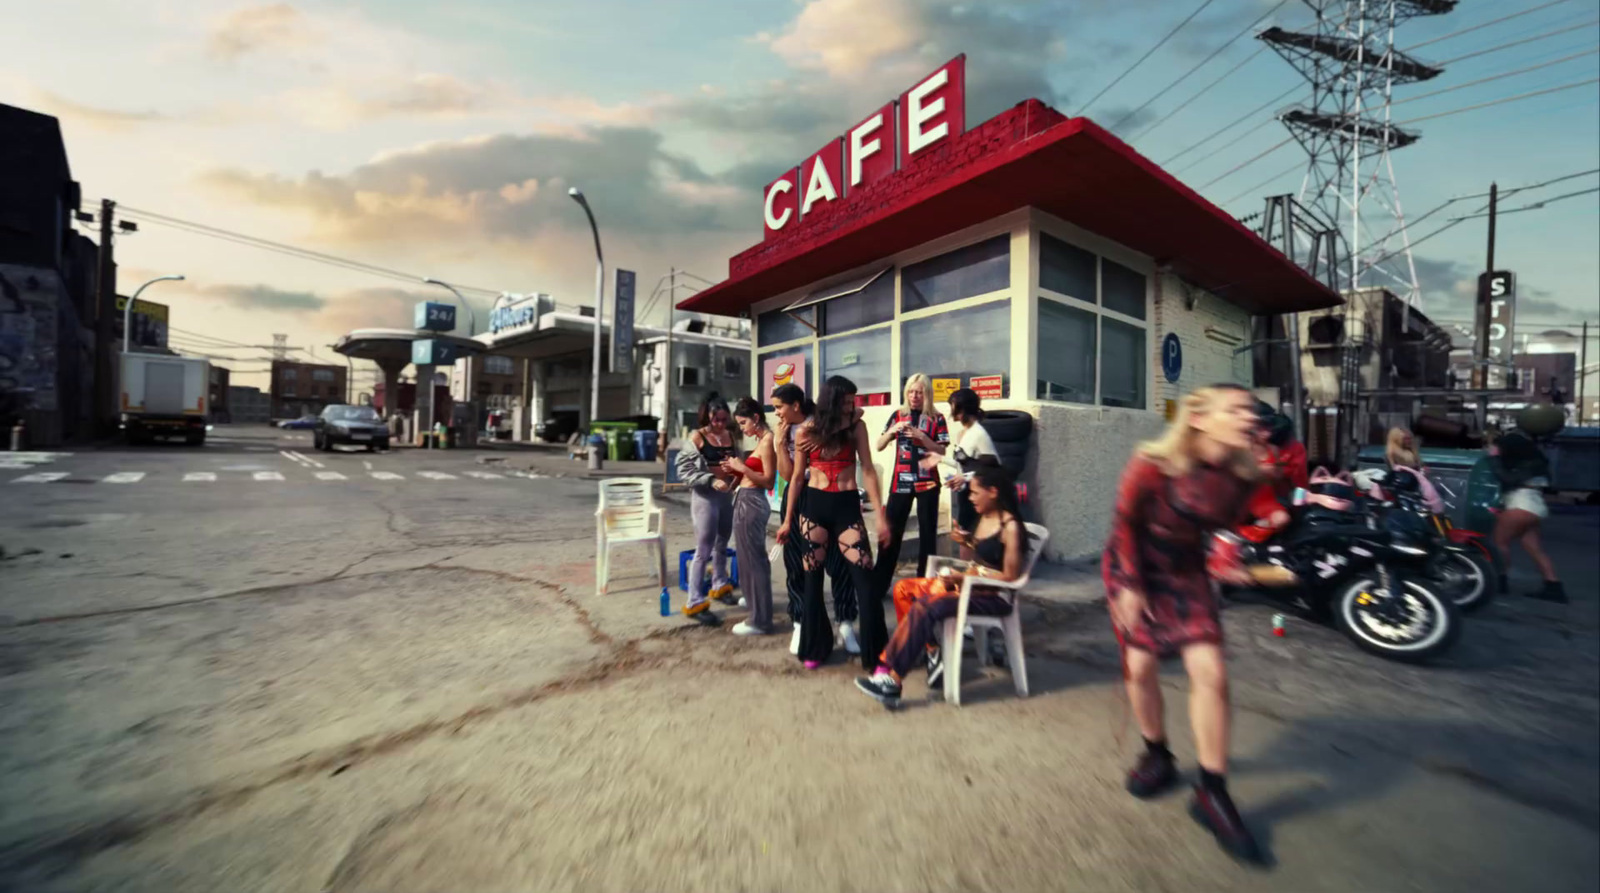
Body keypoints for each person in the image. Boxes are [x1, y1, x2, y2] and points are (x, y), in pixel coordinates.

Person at [1103, 383, 1267, 864]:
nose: (1247, 418)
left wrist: (1230, 554)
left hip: (1186, 571)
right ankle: (1158, 755)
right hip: (1134, 566)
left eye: (1250, 411)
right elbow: (1123, 523)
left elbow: (1230, 526)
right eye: (1235, 410)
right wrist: (1129, 586)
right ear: (1199, 417)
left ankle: (1212, 792)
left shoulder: (1242, 474)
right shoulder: (1152, 464)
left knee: (1211, 673)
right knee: (1141, 666)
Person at [856, 465, 1030, 703]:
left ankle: (892, 678)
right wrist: (966, 542)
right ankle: (926, 652)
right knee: (904, 589)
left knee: (926, 605)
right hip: (970, 587)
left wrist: (964, 578)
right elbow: (980, 558)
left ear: (993, 492)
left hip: (991, 597)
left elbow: (1010, 578)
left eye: (975, 492)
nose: (970, 497)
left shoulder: (1010, 528)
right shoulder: (986, 517)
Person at [778, 375, 890, 669]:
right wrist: (788, 519)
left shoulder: (856, 427)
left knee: (864, 582)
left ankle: (876, 653)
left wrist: (881, 515)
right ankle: (815, 649)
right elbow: (796, 481)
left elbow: (867, 469)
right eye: (847, 401)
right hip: (813, 508)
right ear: (832, 400)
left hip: (847, 508)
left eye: (854, 401)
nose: (853, 405)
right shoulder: (806, 433)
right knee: (811, 582)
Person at [773, 381, 862, 656]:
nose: (777, 413)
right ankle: (802, 622)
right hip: (800, 495)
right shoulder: (786, 431)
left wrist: (824, 436)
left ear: (796, 405)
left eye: (780, 407)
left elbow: (858, 414)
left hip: (833, 494)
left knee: (841, 563)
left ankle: (845, 622)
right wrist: (778, 445)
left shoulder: (822, 420)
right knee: (797, 564)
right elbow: (789, 476)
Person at [873, 373, 950, 610]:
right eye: (911, 392)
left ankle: (923, 587)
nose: (915, 396)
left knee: (928, 537)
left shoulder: (937, 418)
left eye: (919, 392)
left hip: (927, 482)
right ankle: (878, 586)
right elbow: (878, 444)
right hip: (900, 482)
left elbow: (941, 451)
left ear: (927, 394)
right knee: (890, 535)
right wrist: (892, 431)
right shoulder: (899, 415)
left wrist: (923, 438)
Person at [672, 393, 740, 624]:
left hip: (726, 496)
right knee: (703, 549)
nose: (719, 424)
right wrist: (710, 480)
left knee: (722, 544)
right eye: (716, 420)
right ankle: (695, 601)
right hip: (705, 497)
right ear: (708, 417)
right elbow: (683, 468)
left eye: (723, 419)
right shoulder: (698, 437)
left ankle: (720, 584)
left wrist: (737, 477)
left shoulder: (730, 436)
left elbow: (737, 461)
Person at [1490, 429, 1565, 603]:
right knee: (1533, 547)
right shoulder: (1536, 461)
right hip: (1534, 505)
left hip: (1520, 503)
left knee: (1499, 543)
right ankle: (1553, 586)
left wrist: (1494, 458)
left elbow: (1507, 479)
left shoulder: (1521, 464)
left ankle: (1500, 581)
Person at [723, 398, 777, 635]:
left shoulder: (767, 442)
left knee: (754, 560)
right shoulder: (761, 441)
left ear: (756, 418)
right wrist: (737, 470)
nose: (742, 428)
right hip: (746, 499)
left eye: (744, 423)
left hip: (752, 501)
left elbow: (769, 480)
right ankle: (755, 601)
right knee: (748, 557)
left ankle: (760, 619)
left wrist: (743, 468)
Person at [925, 387, 998, 562]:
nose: (951, 411)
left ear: (964, 409)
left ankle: (975, 577)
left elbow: (993, 467)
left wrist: (965, 477)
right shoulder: (963, 433)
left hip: (979, 494)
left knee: (972, 539)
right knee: (963, 536)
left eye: (954, 406)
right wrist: (940, 459)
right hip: (965, 494)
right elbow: (962, 465)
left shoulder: (979, 434)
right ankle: (968, 576)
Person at [1382, 426, 1444, 513]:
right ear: (1397, 439)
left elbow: (1420, 467)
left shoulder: (1412, 452)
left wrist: (1423, 469)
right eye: (1405, 439)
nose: (1409, 441)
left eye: (1410, 439)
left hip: (1416, 491)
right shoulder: (1394, 454)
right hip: (1406, 493)